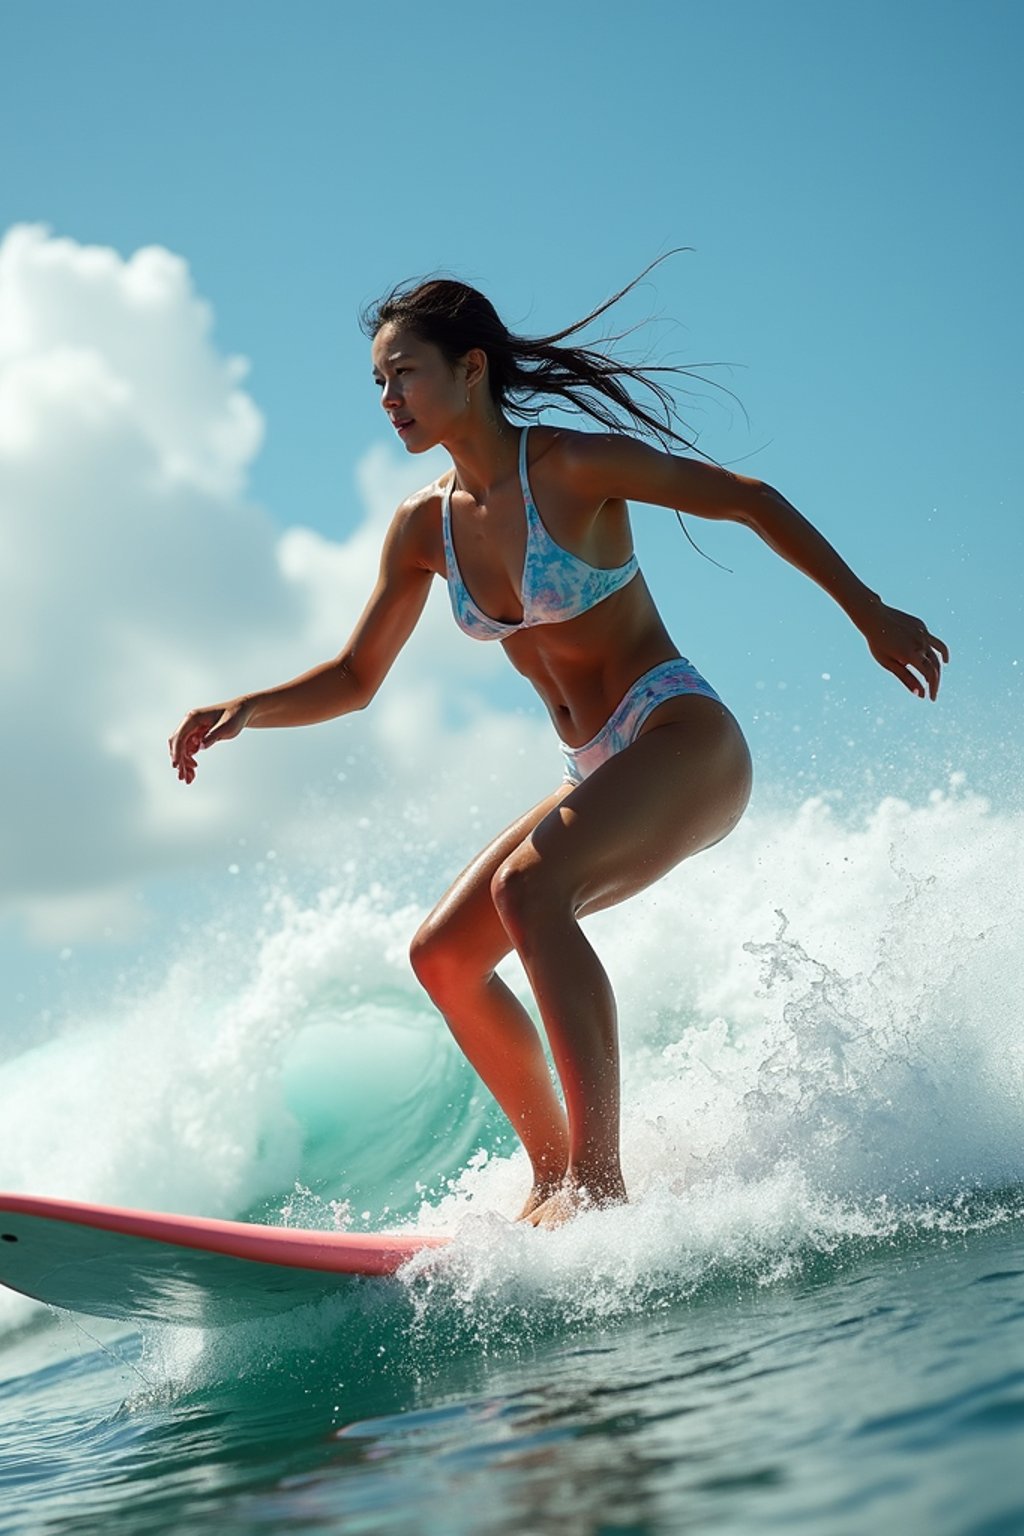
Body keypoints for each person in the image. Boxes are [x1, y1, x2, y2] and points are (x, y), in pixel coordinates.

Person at [169, 265, 948, 1230]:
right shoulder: (424, 526)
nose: (388, 399)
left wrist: (869, 614)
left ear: (471, 370)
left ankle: (599, 1185)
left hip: (680, 735)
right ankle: (552, 1181)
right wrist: (242, 708)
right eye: (378, 382)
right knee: (442, 958)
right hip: (597, 768)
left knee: (526, 891)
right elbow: (355, 677)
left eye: (403, 374)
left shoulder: (571, 469)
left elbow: (746, 497)